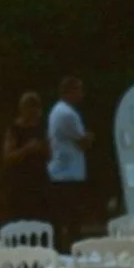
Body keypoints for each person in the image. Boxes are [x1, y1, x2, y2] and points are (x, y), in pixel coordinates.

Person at [44, 73, 93, 249]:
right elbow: (83, 141)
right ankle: (70, 251)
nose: (81, 94)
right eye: (78, 90)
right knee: (72, 220)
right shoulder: (67, 114)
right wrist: (88, 137)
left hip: (62, 173)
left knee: (63, 219)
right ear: (69, 91)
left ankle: (63, 249)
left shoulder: (57, 110)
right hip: (68, 175)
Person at [0, 90, 49, 226]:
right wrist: (27, 149)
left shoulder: (41, 128)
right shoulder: (14, 129)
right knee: (20, 220)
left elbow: (50, 153)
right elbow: (8, 156)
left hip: (39, 182)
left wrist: (42, 148)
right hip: (20, 183)